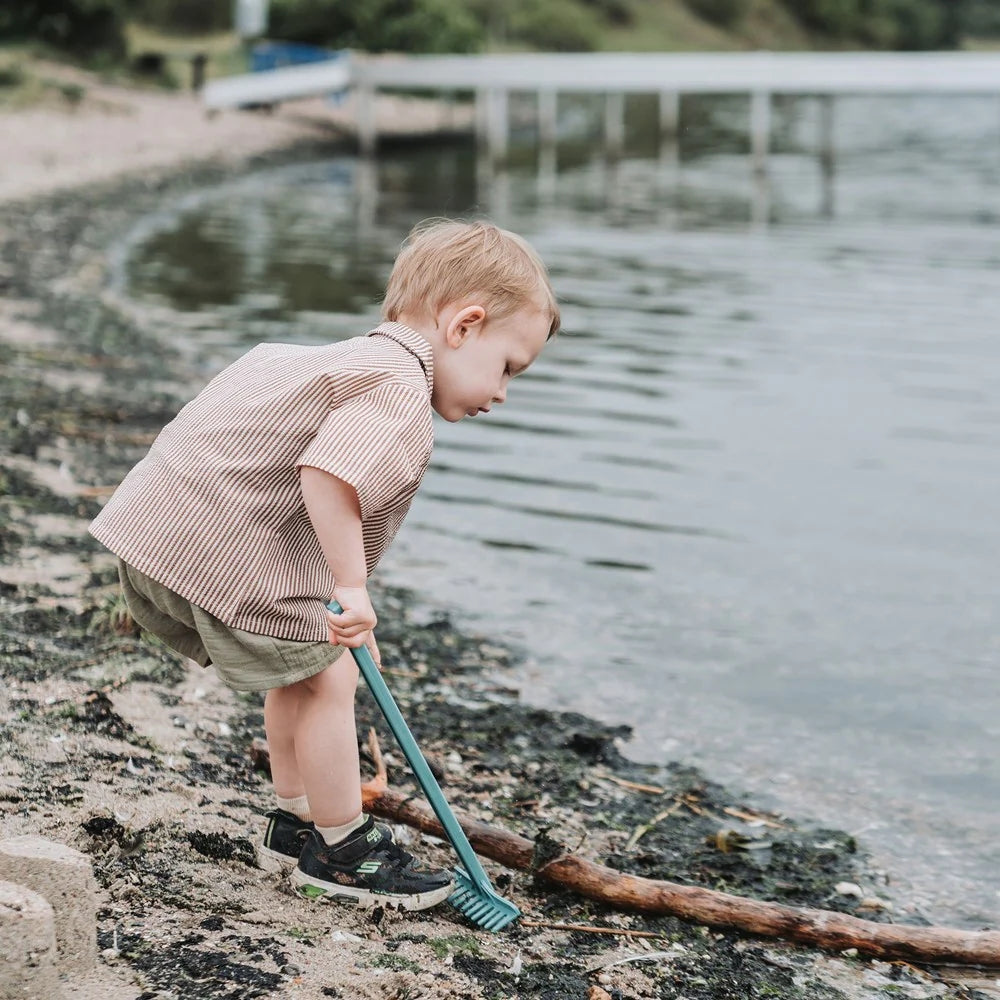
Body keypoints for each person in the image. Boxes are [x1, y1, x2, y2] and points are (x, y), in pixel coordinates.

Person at [89, 218, 560, 912]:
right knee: (329, 679)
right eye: (509, 367)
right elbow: (327, 475)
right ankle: (344, 849)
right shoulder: (400, 388)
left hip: (157, 535)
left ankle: (295, 821)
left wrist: (324, 598)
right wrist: (349, 588)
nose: (502, 392)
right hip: (216, 553)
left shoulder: (326, 358)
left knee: (305, 669)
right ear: (463, 325)